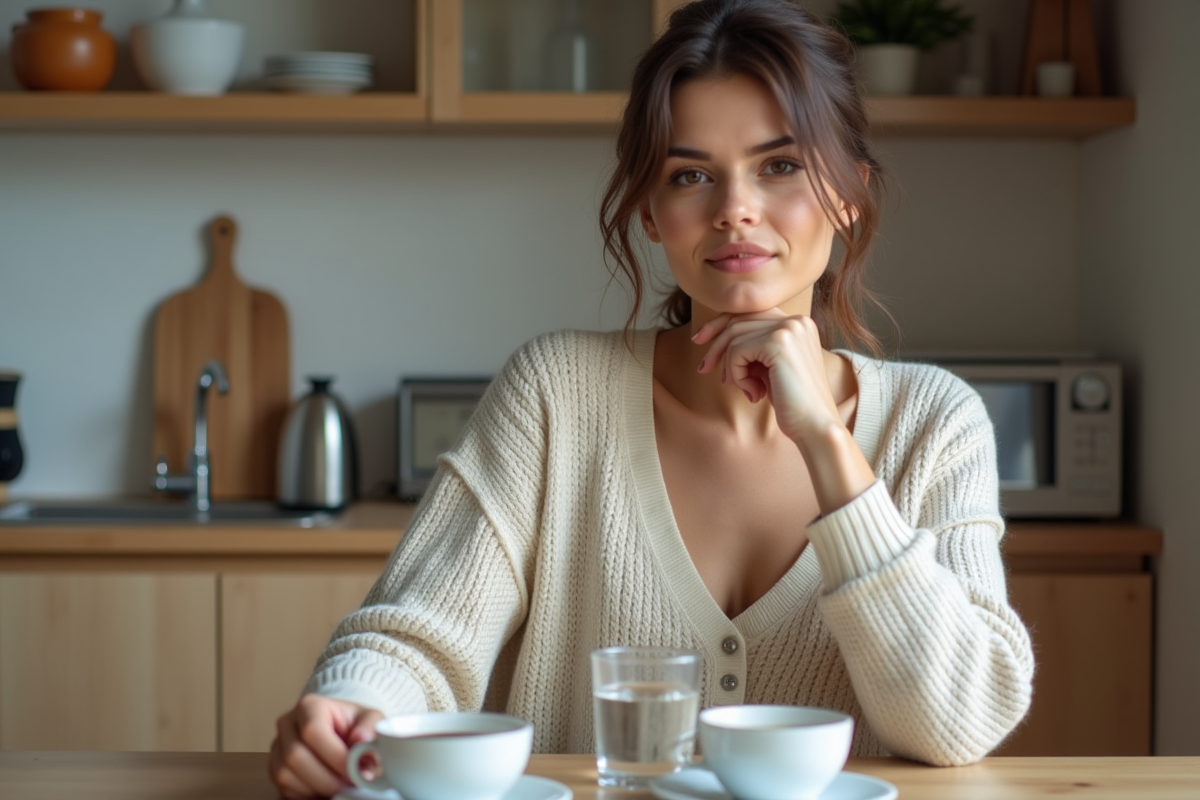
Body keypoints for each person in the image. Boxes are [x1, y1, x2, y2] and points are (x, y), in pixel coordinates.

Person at [268, 1, 1035, 796]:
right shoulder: (554, 393)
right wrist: (350, 706)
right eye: (691, 175)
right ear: (649, 211)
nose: (735, 208)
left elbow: (959, 722)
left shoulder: (936, 423)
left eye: (781, 166)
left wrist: (827, 445)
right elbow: (421, 636)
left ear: (848, 193)